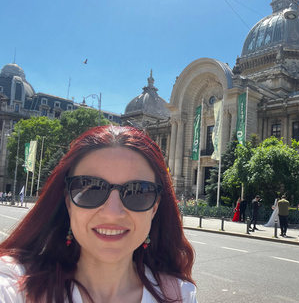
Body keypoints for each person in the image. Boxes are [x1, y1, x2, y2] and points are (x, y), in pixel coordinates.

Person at [0, 125, 197, 302]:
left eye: (137, 191)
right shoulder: (16, 286)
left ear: (155, 207)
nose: (112, 213)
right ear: (68, 202)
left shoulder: (181, 295)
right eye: (91, 189)